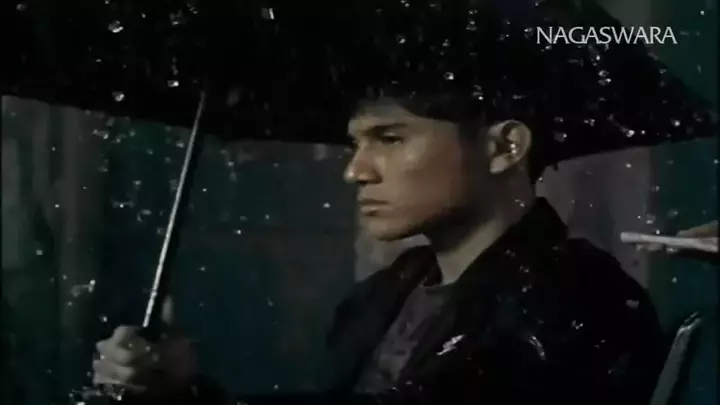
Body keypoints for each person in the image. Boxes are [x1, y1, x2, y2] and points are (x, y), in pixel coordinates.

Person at [91, 90, 668, 404]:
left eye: (389, 138)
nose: (356, 171)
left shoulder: (579, 301)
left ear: (504, 148)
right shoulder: (381, 295)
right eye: (355, 144)